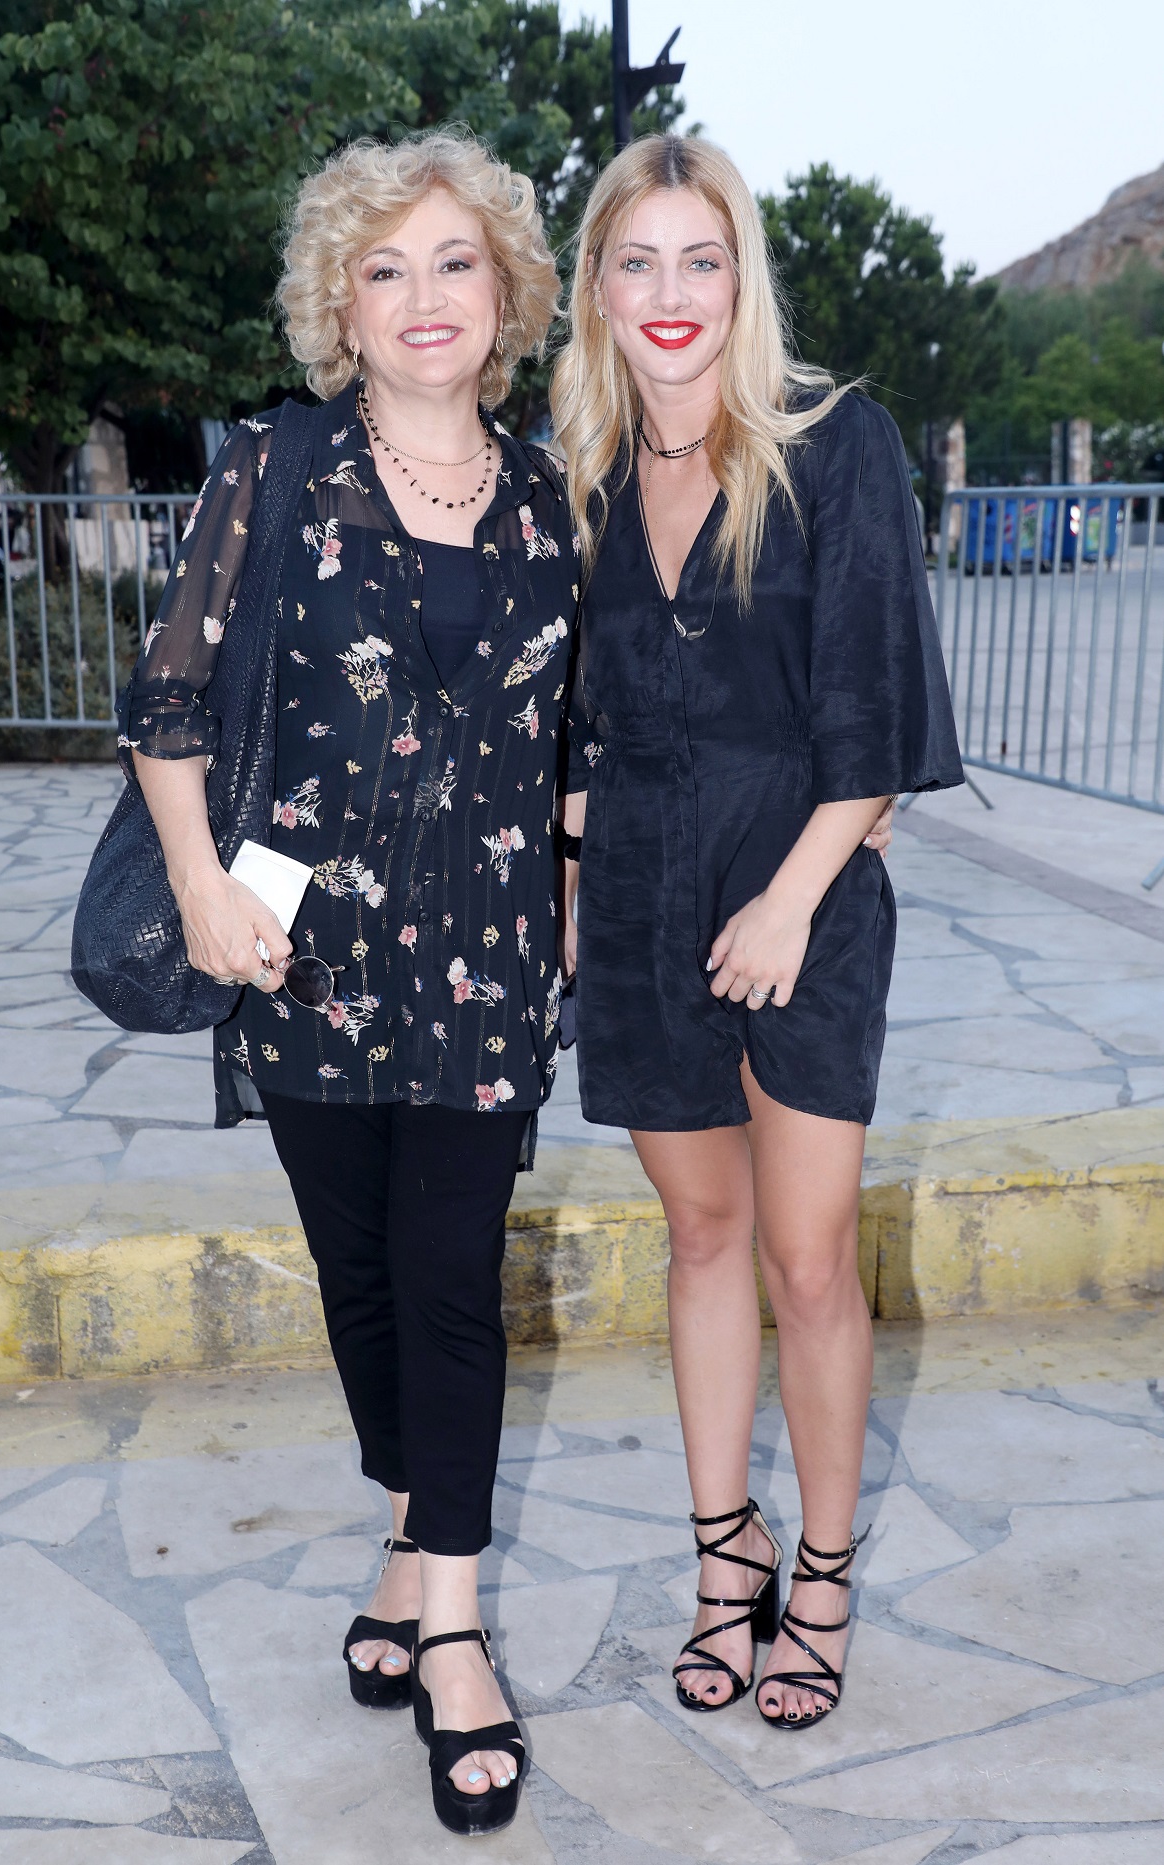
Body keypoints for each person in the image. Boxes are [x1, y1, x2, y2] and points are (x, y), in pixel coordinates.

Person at [121, 130, 574, 1836]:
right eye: (383, 269)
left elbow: (572, 741)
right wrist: (197, 884)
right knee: (361, 1278)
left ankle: (449, 1621)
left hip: (487, 959)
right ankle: (409, 1527)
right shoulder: (277, 466)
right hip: (299, 943)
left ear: (504, 292)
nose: (422, 296)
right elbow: (169, 699)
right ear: (341, 305)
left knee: (450, 1280)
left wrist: (577, 906)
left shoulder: (554, 496)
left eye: (454, 261)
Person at [551, 135, 962, 1730]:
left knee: (805, 1255)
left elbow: (875, 714)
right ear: (597, 287)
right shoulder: (581, 474)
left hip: (803, 895)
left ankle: (826, 1573)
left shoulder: (833, 444)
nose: (670, 292)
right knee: (704, 1240)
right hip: (639, 903)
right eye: (637, 261)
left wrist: (790, 902)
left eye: (699, 259)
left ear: (741, 278)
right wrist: (574, 903)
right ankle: (727, 1562)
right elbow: (570, 729)